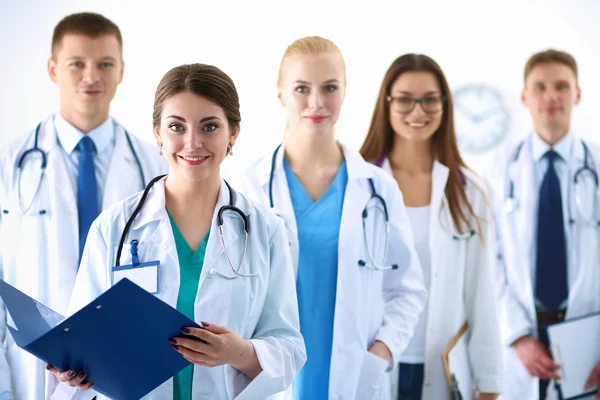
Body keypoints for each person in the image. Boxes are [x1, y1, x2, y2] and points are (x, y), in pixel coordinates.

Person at [46, 63, 306, 399]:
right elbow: (83, 336)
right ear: (157, 132)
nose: (193, 142)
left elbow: (288, 348)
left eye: (210, 126)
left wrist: (237, 352)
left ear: (234, 133)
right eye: (176, 127)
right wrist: (72, 367)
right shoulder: (114, 228)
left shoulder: (264, 231)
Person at [241, 36, 427, 400]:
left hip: (358, 374)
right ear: (281, 94)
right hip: (275, 376)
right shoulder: (250, 188)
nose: (316, 102)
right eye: (301, 88)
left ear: (344, 93)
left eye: (329, 88)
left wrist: (383, 352)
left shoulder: (377, 188)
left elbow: (407, 289)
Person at [0, 12, 167, 399]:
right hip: (32, 370)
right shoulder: (10, 167)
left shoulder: (154, 168)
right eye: (77, 64)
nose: (91, 76)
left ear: (121, 70)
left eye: (104, 64)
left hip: (124, 364)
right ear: (53, 69)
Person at [359, 53, 503, 400]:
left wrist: (490, 382)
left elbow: (481, 293)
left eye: (429, 100)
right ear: (387, 103)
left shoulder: (469, 190)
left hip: (444, 368)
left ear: (445, 105)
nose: (418, 111)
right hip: (372, 361)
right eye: (405, 100)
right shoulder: (358, 182)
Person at [484, 49, 600, 399]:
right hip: (522, 340)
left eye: (562, 86)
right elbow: (491, 261)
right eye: (540, 87)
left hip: (590, 337)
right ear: (524, 96)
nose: (551, 96)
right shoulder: (497, 170)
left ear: (577, 94)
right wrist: (517, 336)